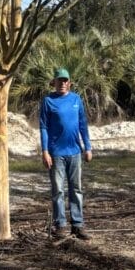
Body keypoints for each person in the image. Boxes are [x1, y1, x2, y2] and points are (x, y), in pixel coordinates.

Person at [39, 67, 93, 240]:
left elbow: (83, 124)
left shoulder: (76, 99)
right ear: (54, 82)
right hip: (56, 153)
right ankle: (60, 225)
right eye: (59, 80)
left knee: (76, 189)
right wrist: (45, 151)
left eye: (65, 80)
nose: (62, 83)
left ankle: (77, 225)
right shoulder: (48, 101)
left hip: (75, 152)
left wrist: (88, 147)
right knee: (58, 191)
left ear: (69, 83)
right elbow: (43, 127)